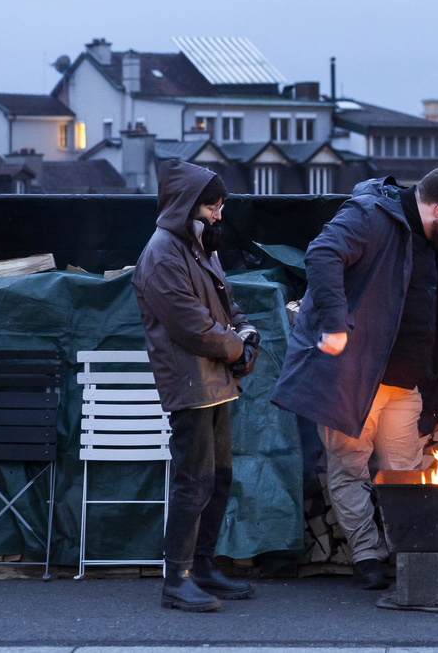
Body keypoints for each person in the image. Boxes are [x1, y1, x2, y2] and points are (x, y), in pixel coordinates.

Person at [272, 167, 438, 590]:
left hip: (406, 386)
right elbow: (322, 253)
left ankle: (406, 555)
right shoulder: (368, 215)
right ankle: (367, 556)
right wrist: (333, 324)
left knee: (403, 472)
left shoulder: (435, 244)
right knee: (349, 470)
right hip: (353, 380)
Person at [134, 160, 259, 612]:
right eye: (212, 205)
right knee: (193, 480)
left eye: (221, 204)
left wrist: (246, 335)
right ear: (188, 205)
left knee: (218, 478)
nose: (219, 213)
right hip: (189, 383)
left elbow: (227, 303)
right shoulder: (163, 254)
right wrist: (236, 348)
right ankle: (177, 579)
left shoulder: (198, 244)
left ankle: (202, 566)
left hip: (213, 380)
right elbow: (191, 325)